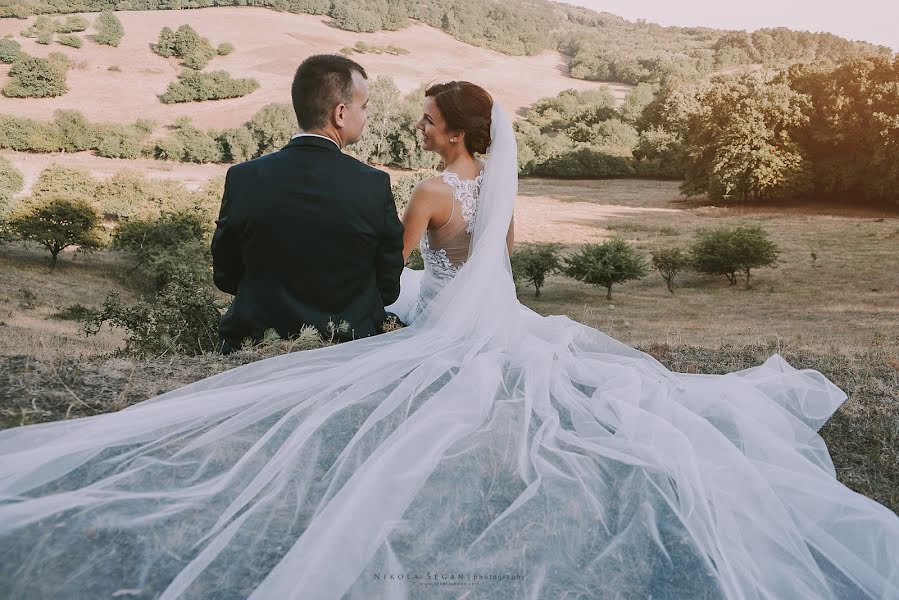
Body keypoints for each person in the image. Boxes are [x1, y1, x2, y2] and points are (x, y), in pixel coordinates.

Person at [1, 79, 898, 600]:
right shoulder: (498, 190)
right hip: (499, 314)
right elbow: (496, 265)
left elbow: (399, 274)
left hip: (443, 316)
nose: (418, 127)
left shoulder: (431, 193)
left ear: (457, 132)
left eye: (429, 120)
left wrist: (392, 311)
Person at [211, 54, 405, 353]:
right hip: (346, 344)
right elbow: (388, 285)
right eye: (363, 106)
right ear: (340, 113)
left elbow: (226, 274)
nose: (366, 115)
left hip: (256, 343)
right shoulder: (372, 184)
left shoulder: (243, 178)